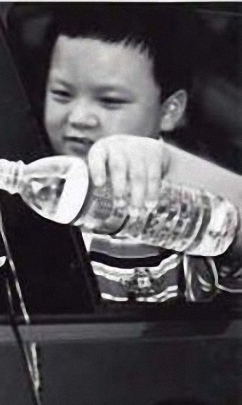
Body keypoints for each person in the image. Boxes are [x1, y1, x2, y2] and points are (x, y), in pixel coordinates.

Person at [40, 4, 242, 303]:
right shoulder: (36, 190)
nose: (79, 117)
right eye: (62, 94)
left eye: (110, 101)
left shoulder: (189, 201)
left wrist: (169, 163)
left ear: (170, 111)